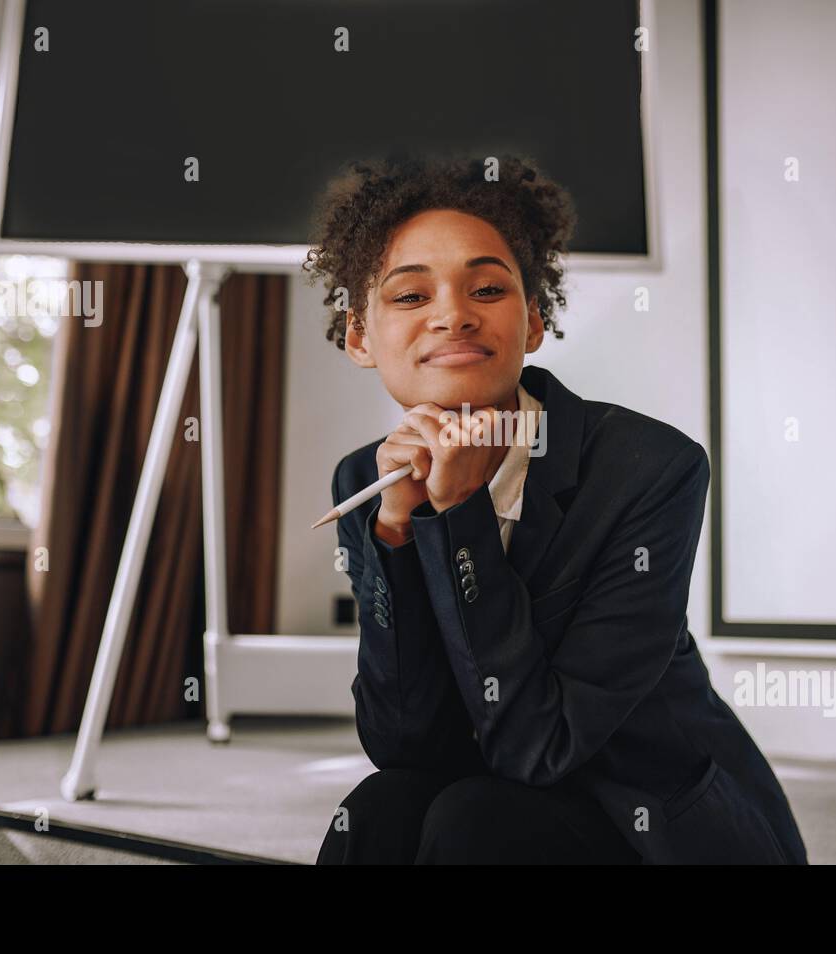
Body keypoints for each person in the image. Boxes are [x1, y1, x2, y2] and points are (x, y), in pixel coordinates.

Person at [304, 154, 807, 864]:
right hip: (497, 797)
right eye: (411, 297)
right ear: (360, 337)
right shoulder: (365, 478)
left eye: (486, 288)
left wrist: (463, 514)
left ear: (534, 322)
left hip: (654, 819)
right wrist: (393, 533)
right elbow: (404, 743)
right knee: (378, 809)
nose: (453, 314)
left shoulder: (649, 467)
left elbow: (542, 748)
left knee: (472, 819)